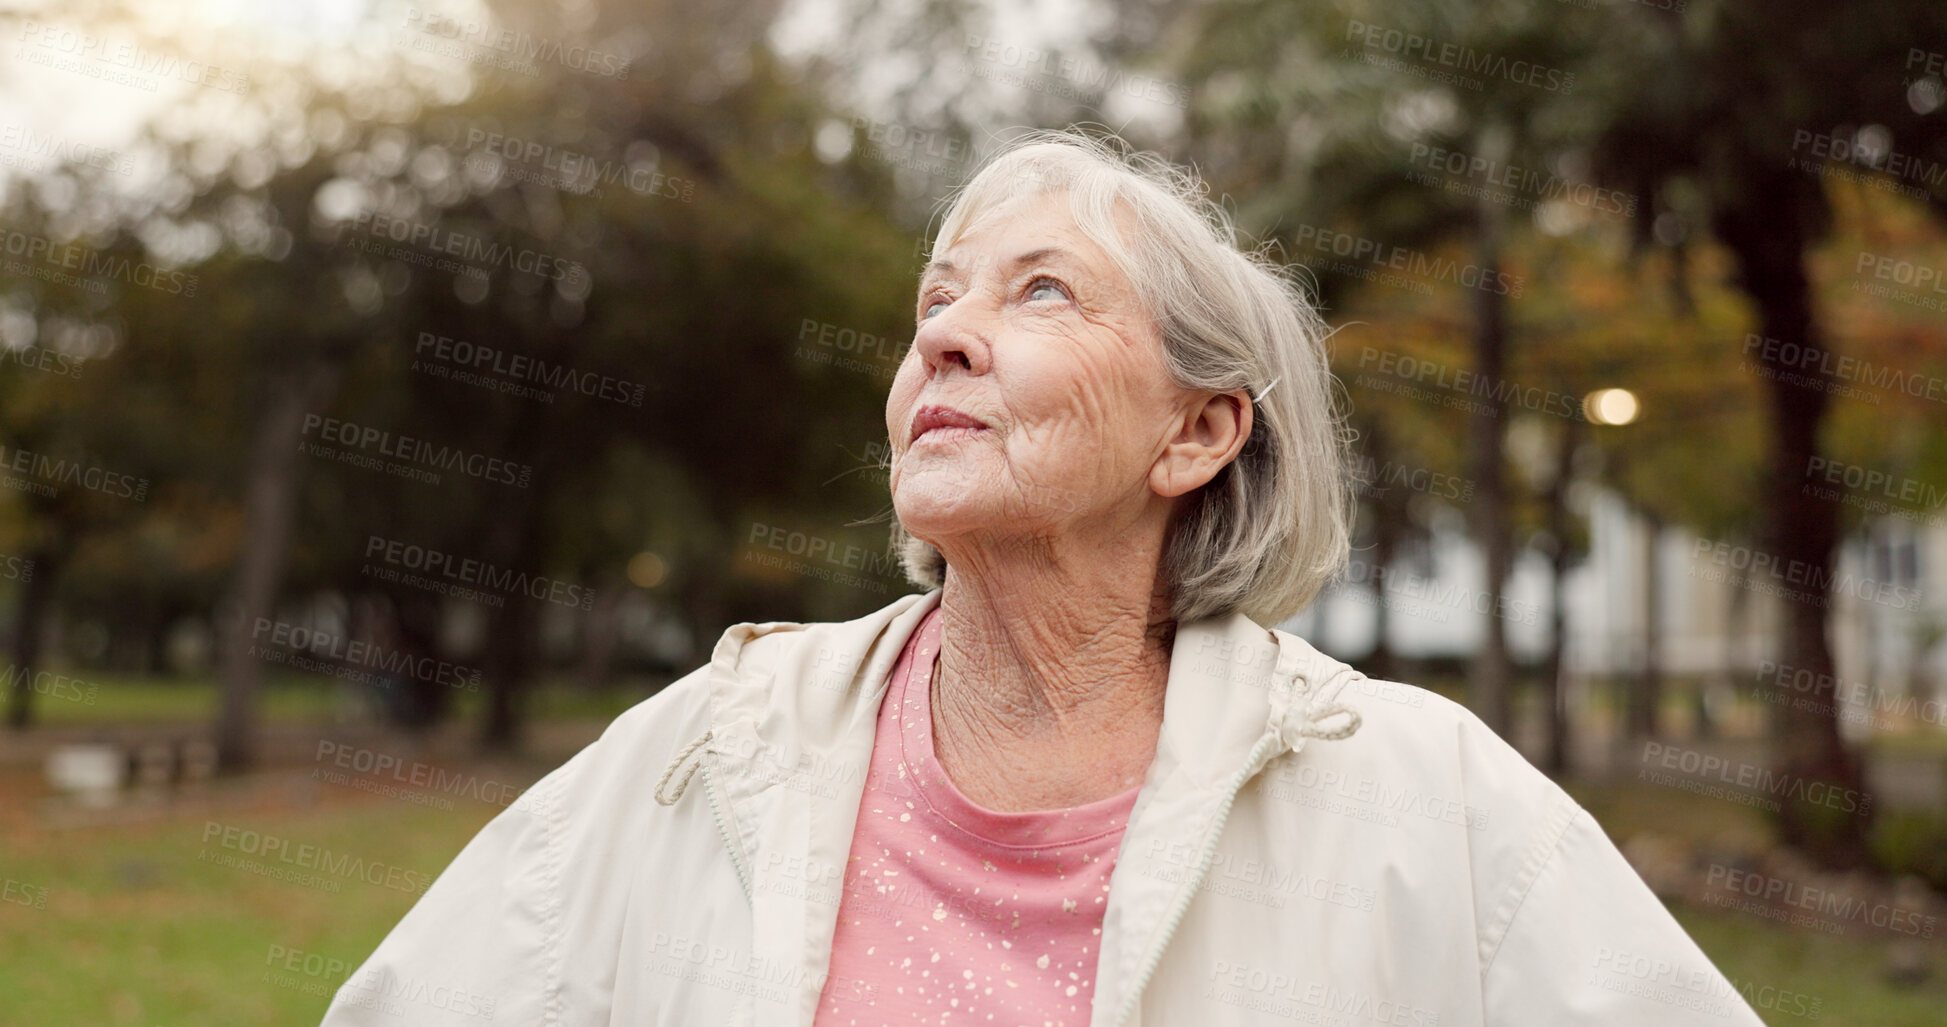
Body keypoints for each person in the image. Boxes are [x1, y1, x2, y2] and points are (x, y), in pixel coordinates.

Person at [322, 129, 1764, 1026]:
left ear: (1196, 434)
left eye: (1041, 291)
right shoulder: (714, 744)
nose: (943, 338)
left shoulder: (1425, 800)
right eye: (935, 301)